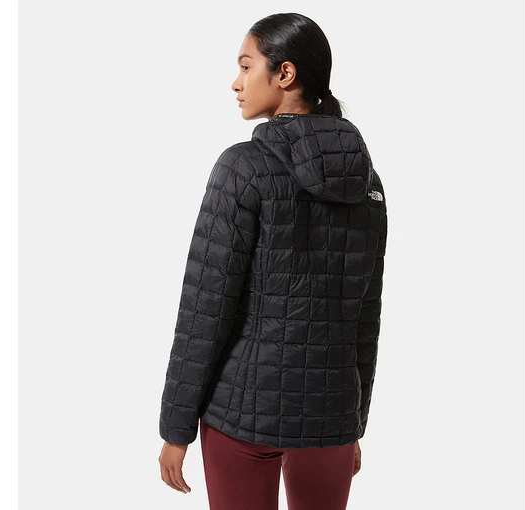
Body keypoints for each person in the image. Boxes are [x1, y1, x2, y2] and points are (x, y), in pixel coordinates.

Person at [158, 12, 388, 510]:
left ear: (285, 74)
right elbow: (364, 317)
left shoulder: (242, 168)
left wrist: (175, 429)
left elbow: (205, 309)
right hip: (331, 416)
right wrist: (353, 422)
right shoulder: (366, 183)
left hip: (243, 412)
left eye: (246, 66)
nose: (236, 83)